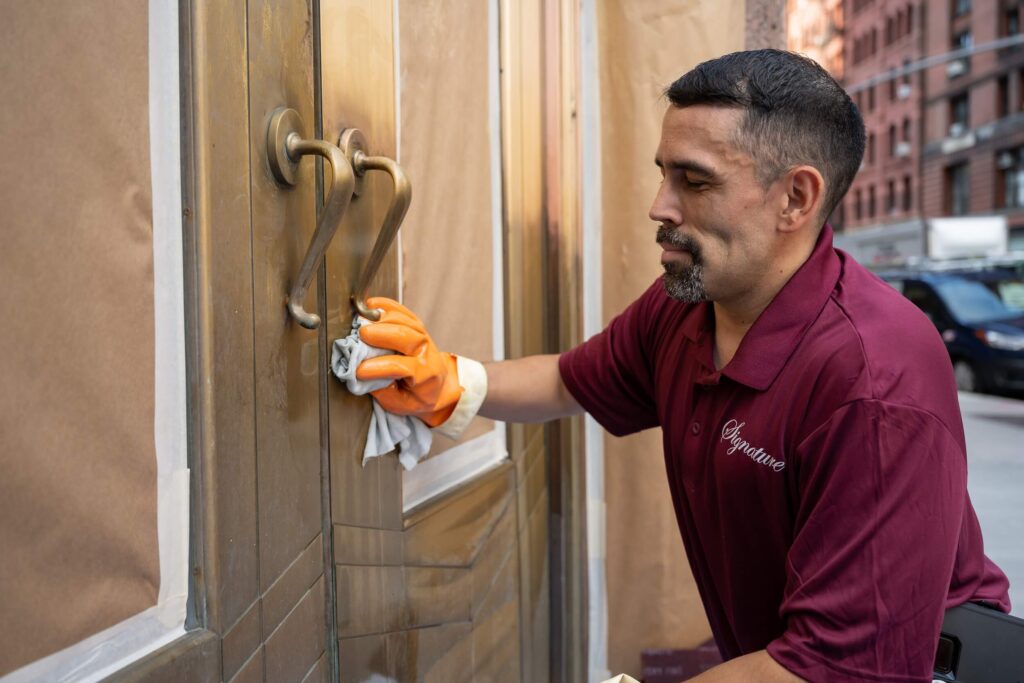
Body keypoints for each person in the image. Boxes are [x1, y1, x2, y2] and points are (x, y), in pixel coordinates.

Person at [356, 49, 1011, 682]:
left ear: (796, 199)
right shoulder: (691, 304)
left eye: (694, 181)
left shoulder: (875, 383)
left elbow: (828, 669)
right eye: (663, 173)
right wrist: (450, 378)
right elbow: (569, 379)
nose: (659, 207)